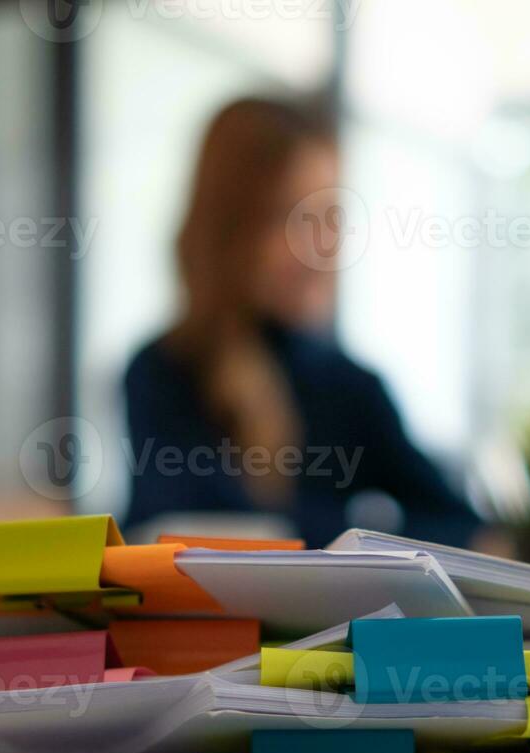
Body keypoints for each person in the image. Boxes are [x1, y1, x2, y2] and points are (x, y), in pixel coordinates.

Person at [123, 96, 482, 547]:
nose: (320, 248)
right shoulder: (164, 371)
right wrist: (357, 529)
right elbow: (181, 525)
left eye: (331, 217)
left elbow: (461, 526)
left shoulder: (350, 386)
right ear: (229, 230)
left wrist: (350, 528)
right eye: (287, 218)